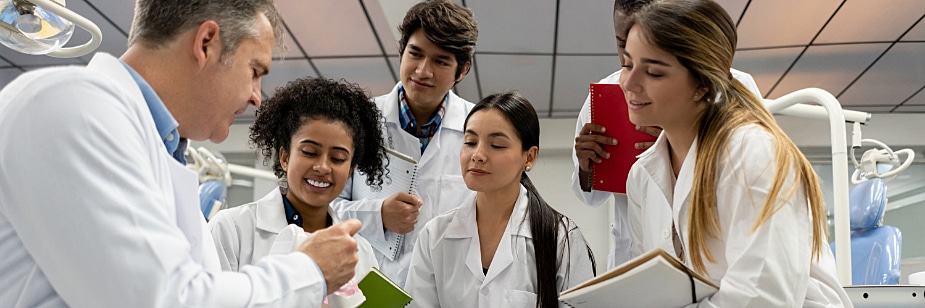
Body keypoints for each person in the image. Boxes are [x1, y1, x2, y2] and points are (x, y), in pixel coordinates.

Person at [0, 1, 361, 306]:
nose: (256, 96)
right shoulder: (73, 106)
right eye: (254, 72)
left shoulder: (159, 148)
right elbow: (166, 298)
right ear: (206, 43)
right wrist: (310, 271)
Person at [620, 0, 851, 305]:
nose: (629, 83)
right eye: (626, 64)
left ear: (701, 84)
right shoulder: (641, 177)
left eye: (654, 73)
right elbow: (655, 290)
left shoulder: (754, 153)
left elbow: (763, 298)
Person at [571, 0, 763, 269]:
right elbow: (590, 197)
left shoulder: (753, 139)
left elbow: (761, 278)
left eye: (652, 65)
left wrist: (679, 127)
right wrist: (585, 168)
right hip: (643, 256)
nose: (628, 80)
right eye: (622, 44)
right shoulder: (605, 98)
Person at [331, 0, 479, 288]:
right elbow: (322, 206)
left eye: (441, 61)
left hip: (446, 292)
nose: (423, 71)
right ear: (402, 52)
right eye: (416, 53)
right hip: (367, 287)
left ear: (461, 70)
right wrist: (378, 216)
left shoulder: (476, 130)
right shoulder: (357, 121)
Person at [405, 92, 596, 308]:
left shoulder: (561, 238)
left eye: (496, 145)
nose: (478, 154)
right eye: (470, 142)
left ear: (529, 157)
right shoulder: (434, 236)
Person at [208, 77, 385, 297]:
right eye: (310, 152)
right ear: (284, 157)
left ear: (350, 170)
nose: (322, 167)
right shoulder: (231, 230)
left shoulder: (360, 251)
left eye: (338, 158)